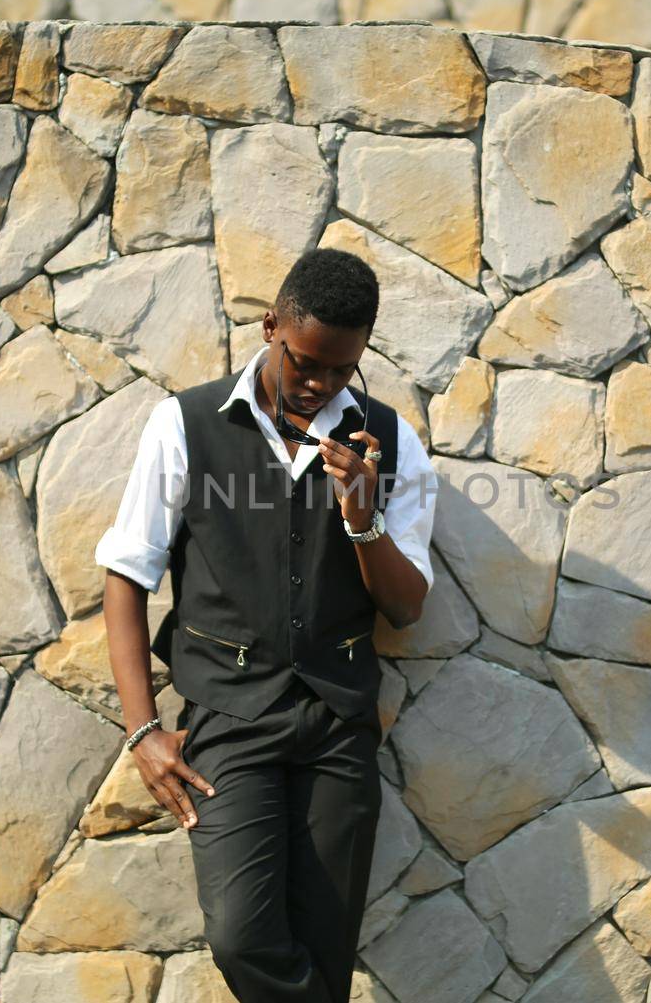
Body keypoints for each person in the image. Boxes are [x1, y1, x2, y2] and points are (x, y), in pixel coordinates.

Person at [95, 247, 438, 1001]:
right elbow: (126, 575)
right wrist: (141, 729)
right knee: (241, 934)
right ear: (271, 325)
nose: (318, 385)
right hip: (229, 717)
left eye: (339, 371)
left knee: (324, 946)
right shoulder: (184, 423)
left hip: (337, 722)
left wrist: (362, 521)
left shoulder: (391, 442)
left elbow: (407, 606)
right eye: (304, 361)